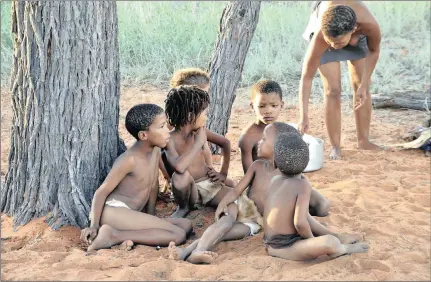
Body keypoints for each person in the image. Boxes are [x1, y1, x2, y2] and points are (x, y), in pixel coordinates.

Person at [80, 104, 192, 251]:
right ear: (143, 135)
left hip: (131, 214)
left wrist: (152, 216)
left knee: (186, 225)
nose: (168, 131)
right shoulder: (129, 160)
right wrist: (94, 225)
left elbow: (152, 185)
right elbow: (102, 191)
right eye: (162, 126)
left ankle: (124, 236)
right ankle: (113, 236)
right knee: (178, 235)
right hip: (114, 212)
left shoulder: (156, 150)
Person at [264, 133, 369, 261]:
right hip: (284, 247)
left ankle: (336, 235)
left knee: (306, 216)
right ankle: (342, 249)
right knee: (329, 242)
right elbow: (300, 224)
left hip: (272, 242)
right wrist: (313, 241)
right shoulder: (303, 185)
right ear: (308, 162)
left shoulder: (275, 180)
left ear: (275, 161)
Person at [298, 1, 383, 160]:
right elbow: (306, 77)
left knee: (360, 85)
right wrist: (303, 115)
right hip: (328, 24)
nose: (335, 46)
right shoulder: (322, 37)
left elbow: (374, 50)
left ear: (354, 29)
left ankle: (363, 141)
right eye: (332, 43)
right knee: (333, 90)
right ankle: (335, 146)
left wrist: (364, 84)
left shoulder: (369, 25)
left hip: (354, 33)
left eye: (339, 43)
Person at [162, 86, 234, 218]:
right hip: (189, 192)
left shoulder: (201, 132)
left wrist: (223, 173)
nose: (207, 118)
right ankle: (183, 209)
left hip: (209, 184)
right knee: (180, 176)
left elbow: (225, 143)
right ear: (191, 116)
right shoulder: (169, 139)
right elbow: (179, 167)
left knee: (237, 194)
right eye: (205, 113)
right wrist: (198, 143)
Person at [239, 79, 284, 173]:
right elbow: (248, 175)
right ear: (252, 106)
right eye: (262, 106)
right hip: (260, 184)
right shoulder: (248, 137)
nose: (268, 111)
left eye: (274, 105)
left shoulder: (281, 130)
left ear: (281, 105)